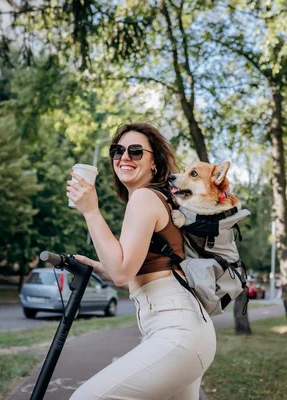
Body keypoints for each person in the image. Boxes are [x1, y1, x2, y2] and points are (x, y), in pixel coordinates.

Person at [67, 122, 216, 400]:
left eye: (136, 152)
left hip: (177, 333)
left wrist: (90, 211)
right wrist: (99, 267)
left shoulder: (145, 198)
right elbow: (132, 269)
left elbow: (122, 273)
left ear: (155, 164)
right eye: (117, 150)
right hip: (189, 331)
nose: (124, 157)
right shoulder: (158, 199)